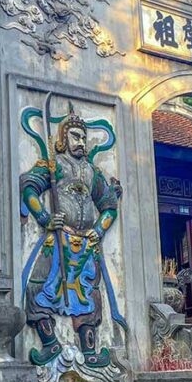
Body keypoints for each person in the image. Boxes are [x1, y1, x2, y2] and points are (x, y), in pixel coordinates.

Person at [19, 107, 125, 367]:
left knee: (90, 294)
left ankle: (89, 351)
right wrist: (44, 217)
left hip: (87, 244)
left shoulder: (92, 172)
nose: (81, 143)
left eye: (83, 138)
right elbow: (29, 188)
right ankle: (50, 343)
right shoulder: (53, 166)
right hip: (58, 240)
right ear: (63, 139)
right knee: (38, 288)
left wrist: (98, 230)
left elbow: (109, 206)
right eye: (75, 137)